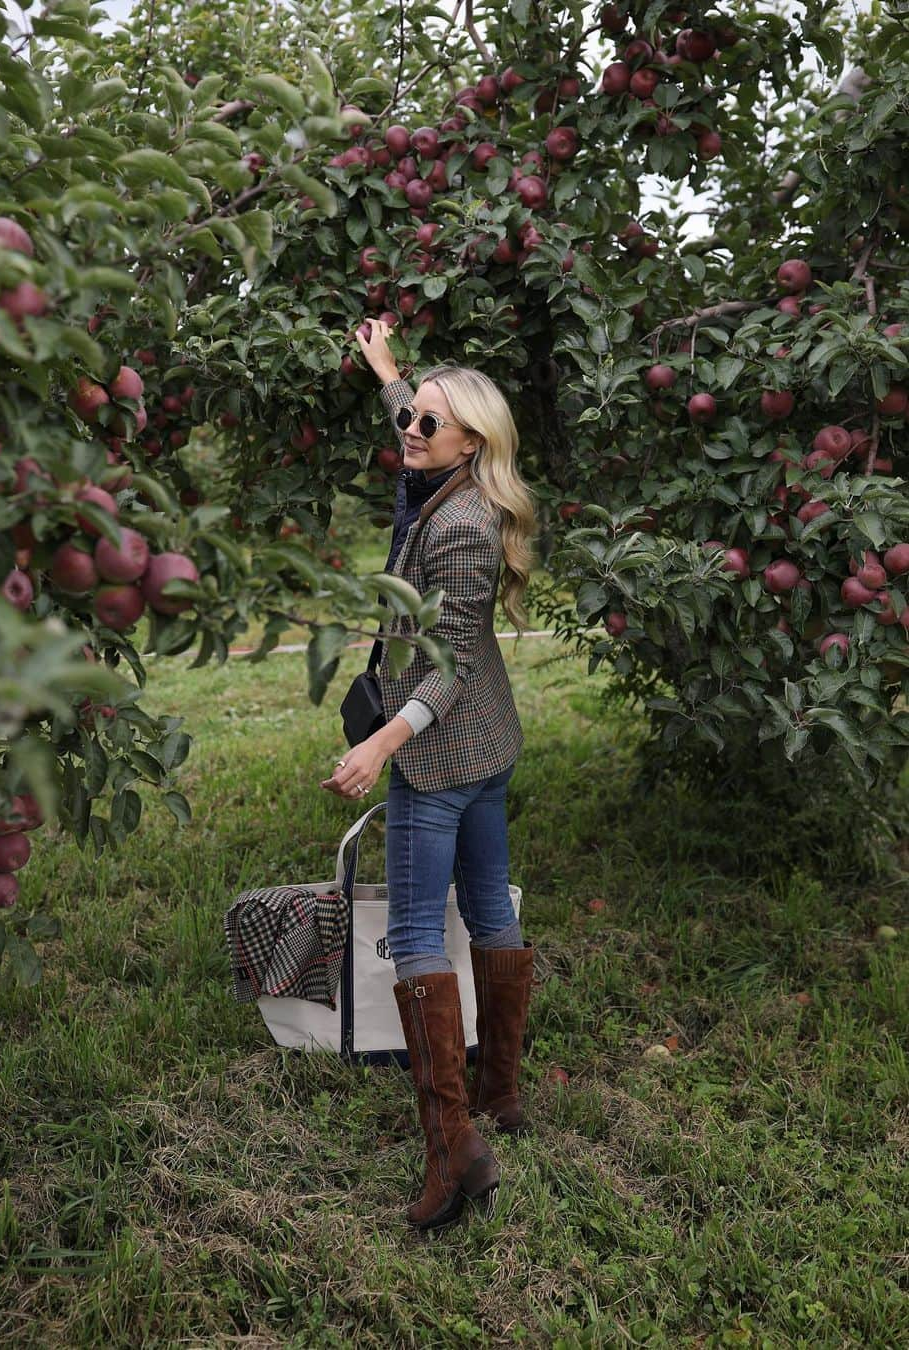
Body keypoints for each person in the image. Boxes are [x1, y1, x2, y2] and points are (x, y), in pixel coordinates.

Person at [320, 319, 538, 1231]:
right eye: (409, 416)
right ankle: (501, 1092)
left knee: (415, 932)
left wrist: (381, 746)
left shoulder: (458, 530)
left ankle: (453, 1151)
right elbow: (419, 412)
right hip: (490, 743)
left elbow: (443, 664)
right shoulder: (448, 478)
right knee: (489, 906)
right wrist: (387, 371)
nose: (408, 429)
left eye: (426, 423)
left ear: (469, 443)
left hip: (441, 751)